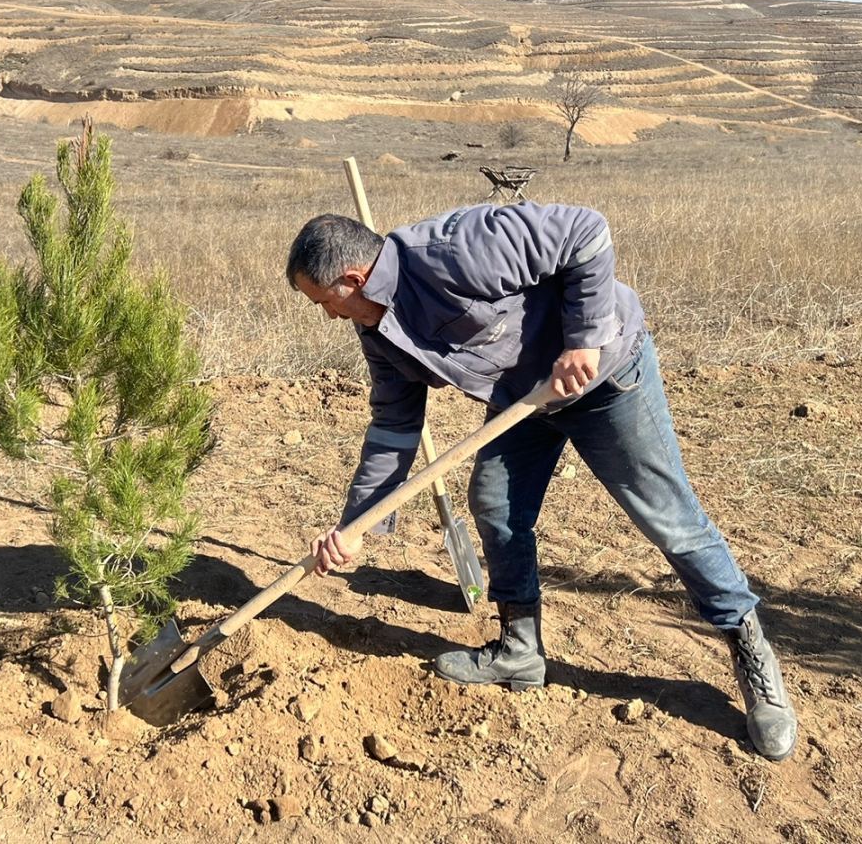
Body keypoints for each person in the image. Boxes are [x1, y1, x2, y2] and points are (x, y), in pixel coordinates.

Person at [285, 203, 798, 761]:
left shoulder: (453, 251)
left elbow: (587, 231)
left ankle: (751, 654)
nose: (328, 317)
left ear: (353, 279)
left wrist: (583, 337)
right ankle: (521, 648)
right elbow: (393, 427)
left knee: (668, 520)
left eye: (323, 303)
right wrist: (356, 525)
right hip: (525, 400)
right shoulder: (379, 331)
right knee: (496, 503)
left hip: (605, 377)